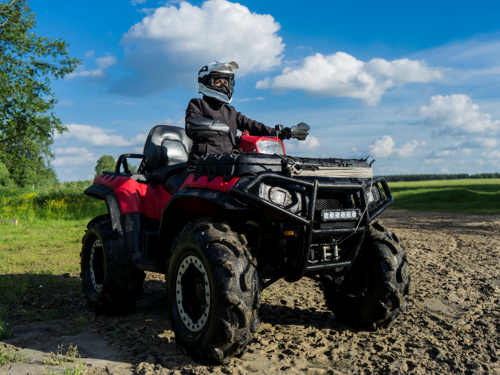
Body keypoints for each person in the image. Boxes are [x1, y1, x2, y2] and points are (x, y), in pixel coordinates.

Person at [183, 61, 308, 181]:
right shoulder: (198, 104)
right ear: (207, 81)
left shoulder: (231, 111)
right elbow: (192, 124)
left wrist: (282, 133)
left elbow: (253, 125)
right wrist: (215, 126)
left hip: (226, 167)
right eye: (219, 82)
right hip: (201, 167)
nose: (225, 86)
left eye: (227, 82)